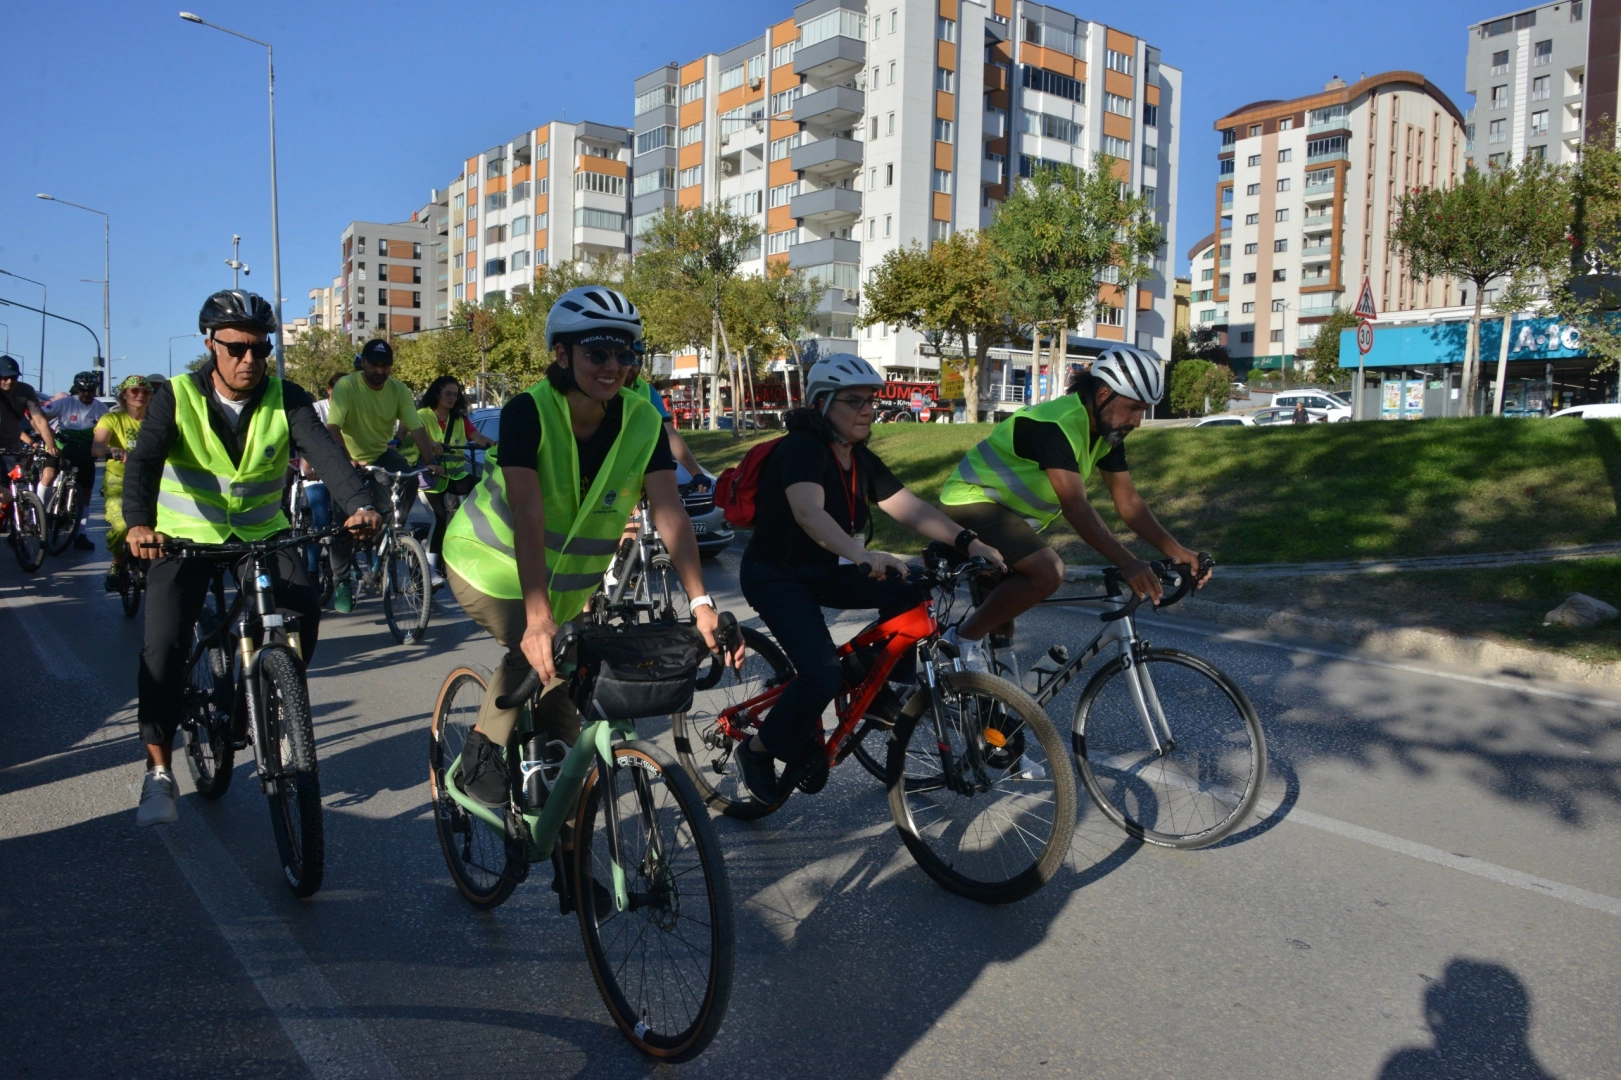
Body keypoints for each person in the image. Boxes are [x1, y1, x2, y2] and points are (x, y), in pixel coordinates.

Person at [442, 285, 739, 808]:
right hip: (487, 564)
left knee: (567, 702)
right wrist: (538, 620)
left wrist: (701, 602)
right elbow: (529, 515)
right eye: (597, 352)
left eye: (627, 354)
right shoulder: (527, 411)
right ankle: (482, 749)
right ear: (561, 354)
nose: (614, 366)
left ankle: (561, 841)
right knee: (536, 651)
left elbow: (669, 512)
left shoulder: (642, 420)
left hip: (562, 585)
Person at [122, 290, 380, 827]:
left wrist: (359, 504)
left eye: (261, 349)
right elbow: (144, 463)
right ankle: (159, 771)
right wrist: (139, 524)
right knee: (163, 647)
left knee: (303, 608)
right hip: (184, 538)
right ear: (210, 345)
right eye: (237, 348)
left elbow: (325, 453)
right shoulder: (176, 397)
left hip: (261, 533)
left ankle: (272, 697)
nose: (249, 359)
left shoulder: (286, 398)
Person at [733, 354, 1006, 805]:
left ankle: (872, 688)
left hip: (824, 572)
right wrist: (860, 554)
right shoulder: (801, 449)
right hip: (776, 577)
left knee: (909, 592)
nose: (867, 411)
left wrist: (968, 542)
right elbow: (808, 513)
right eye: (854, 401)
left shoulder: (858, 458)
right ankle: (757, 750)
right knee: (821, 674)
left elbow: (910, 508)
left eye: (871, 401)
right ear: (822, 405)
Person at [938, 347, 1209, 672]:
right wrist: (1127, 562)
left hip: (1007, 517)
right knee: (1047, 571)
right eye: (1134, 408)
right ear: (1105, 394)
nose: (1137, 422)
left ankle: (999, 694)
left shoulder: (1106, 432)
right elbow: (1076, 507)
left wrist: (1178, 552)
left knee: (1001, 617)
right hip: (969, 502)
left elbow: (1128, 502)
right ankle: (958, 640)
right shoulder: (1057, 425)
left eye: (1144, 411)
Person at [325, 338, 440, 613]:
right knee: (342, 524)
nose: (380, 371)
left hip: (379, 454)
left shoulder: (398, 390)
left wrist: (431, 461)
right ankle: (341, 582)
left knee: (409, 476)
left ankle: (386, 533)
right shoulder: (347, 386)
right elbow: (333, 428)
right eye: (374, 365)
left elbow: (417, 428)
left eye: (385, 366)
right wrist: (347, 460)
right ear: (363, 363)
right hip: (347, 457)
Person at [401, 375, 494, 589]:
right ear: (437, 394)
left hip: (454, 475)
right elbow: (412, 437)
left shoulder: (459, 419)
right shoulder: (422, 415)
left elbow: (478, 437)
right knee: (439, 519)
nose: (452, 398)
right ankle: (431, 570)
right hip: (430, 478)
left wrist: (494, 444)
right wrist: (430, 444)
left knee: (484, 488)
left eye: (455, 395)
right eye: (448, 394)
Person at [92, 375, 152, 590]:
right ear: (124, 395)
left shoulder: (158, 421)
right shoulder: (112, 419)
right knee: (121, 527)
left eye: (146, 392)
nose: (140, 395)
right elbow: (97, 448)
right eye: (134, 391)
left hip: (153, 482)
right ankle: (117, 563)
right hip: (119, 483)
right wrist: (112, 450)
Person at [40, 371, 110, 550]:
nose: (86, 393)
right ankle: (38, 515)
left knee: (86, 493)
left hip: (85, 449)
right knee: (48, 474)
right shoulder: (65, 403)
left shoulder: (101, 408)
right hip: (62, 446)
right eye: (82, 390)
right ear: (77, 390)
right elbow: (39, 418)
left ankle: (81, 534)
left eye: (90, 390)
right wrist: (48, 437)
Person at [295, 371, 346, 580]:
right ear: (329, 390)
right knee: (322, 519)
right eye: (339, 389)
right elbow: (307, 439)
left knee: (355, 519)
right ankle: (313, 570)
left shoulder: (351, 409)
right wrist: (308, 467)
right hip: (316, 473)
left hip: (342, 473)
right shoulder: (316, 409)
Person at [0, 354, 60, 511]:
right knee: (2, 493)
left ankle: (21, 519)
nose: (9, 381)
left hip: (12, 448)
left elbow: (39, 420)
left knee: (18, 486)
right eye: (4, 377)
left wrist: (51, 446)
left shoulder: (25, 390)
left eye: (13, 377)